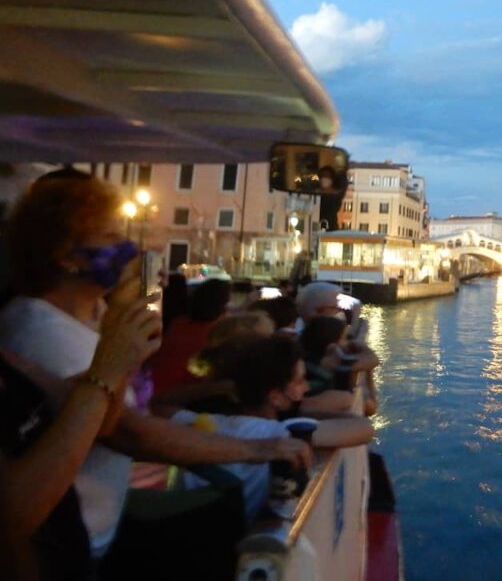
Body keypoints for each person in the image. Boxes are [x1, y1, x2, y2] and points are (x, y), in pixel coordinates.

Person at [0, 172, 311, 559]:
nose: (128, 247)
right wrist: (256, 449)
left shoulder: (98, 316)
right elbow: (123, 429)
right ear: (65, 255)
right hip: (72, 545)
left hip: (99, 525)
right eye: (111, 237)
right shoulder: (39, 329)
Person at [1, 286, 160, 580]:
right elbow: (13, 515)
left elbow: (104, 422)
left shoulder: (10, 356)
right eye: (109, 237)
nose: (123, 249)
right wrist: (107, 369)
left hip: (74, 549)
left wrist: (120, 353)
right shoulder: (34, 324)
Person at [164, 337, 373, 522]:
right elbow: (363, 428)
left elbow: (159, 403)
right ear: (274, 397)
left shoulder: (202, 423)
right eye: (299, 381)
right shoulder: (275, 436)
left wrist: (221, 387)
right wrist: (304, 410)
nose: (307, 388)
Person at [149, 278, 231, 395]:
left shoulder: (178, 323)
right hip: (173, 395)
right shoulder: (217, 334)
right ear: (223, 307)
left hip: (151, 388)